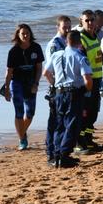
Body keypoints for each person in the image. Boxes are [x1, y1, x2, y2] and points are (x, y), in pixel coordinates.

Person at [42, 30, 93, 168]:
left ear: (66, 41)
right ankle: (64, 155)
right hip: (73, 93)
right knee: (72, 125)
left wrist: (54, 83)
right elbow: (88, 79)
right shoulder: (79, 56)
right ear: (79, 42)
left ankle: (57, 154)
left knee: (59, 125)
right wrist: (85, 90)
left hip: (59, 93)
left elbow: (45, 73)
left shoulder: (56, 55)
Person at [3, 24, 44, 150]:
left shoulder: (36, 48)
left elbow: (38, 68)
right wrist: (6, 89)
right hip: (17, 83)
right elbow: (9, 72)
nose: (25, 35)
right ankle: (22, 140)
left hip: (31, 82)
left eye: (27, 33)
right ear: (18, 35)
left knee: (30, 113)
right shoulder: (13, 51)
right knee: (19, 112)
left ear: (30, 34)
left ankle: (22, 133)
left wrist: (36, 84)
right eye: (22, 33)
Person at [75, 10, 103, 154]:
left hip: (97, 79)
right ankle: (78, 143)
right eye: (86, 20)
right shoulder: (81, 38)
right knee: (84, 113)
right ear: (81, 21)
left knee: (93, 113)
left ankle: (88, 139)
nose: (90, 23)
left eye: (92, 20)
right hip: (86, 81)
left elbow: (97, 57)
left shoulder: (94, 36)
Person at [43, 15, 71, 164]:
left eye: (68, 26)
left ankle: (57, 151)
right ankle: (51, 153)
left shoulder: (67, 42)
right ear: (58, 27)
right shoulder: (54, 44)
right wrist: (55, 85)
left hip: (65, 88)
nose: (67, 29)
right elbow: (49, 69)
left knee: (62, 122)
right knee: (54, 122)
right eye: (64, 27)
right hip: (57, 89)